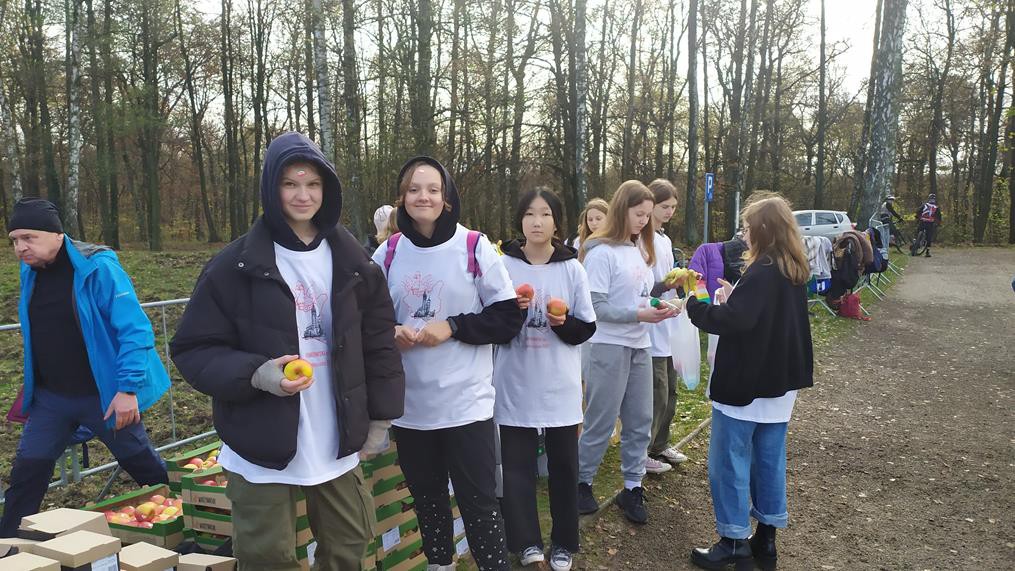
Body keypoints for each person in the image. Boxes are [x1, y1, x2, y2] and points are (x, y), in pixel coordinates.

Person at [170, 132, 405, 570]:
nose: (303, 195)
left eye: (313, 184)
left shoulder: (354, 262)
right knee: (266, 556)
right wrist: (258, 374)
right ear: (270, 188)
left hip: (336, 435)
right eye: (290, 183)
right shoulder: (233, 266)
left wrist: (381, 417)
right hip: (260, 436)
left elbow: (379, 344)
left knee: (350, 546)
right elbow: (193, 348)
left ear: (327, 189)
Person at [371, 156, 524, 571]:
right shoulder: (388, 253)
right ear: (402, 198)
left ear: (447, 198)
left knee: (479, 501)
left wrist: (453, 326)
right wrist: (390, 331)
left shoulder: (473, 246)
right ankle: (441, 564)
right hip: (411, 408)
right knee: (427, 499)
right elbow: (367, 318)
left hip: (465, 405)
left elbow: (508, 318)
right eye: (414, 189)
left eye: (433, 189)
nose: (423, 197)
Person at [1, 198, 170, 537]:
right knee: (27, 471)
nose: (20, 248)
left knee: (142, 465)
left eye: (29, 238)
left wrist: (127, 389)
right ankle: (8, 545)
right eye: (15, 240)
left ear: (56, 234)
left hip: (104, 395)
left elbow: (135, 330)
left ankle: (183, 519)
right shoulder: (30, 271)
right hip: (51, 399)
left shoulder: (99, 268)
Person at [684, 195, 814, 571]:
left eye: (747, 228)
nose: (743, 235)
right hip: (779, 384)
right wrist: (734, 299)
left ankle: (733, 540)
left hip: (748, 382)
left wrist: (696, 306)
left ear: (763, 230)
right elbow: (760, 315)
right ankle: (766, 540)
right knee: (768, 462)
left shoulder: (764, 269)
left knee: (729, 462)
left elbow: (736, 322)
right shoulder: (791, 268)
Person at [495, 188, 596, 570]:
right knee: (516, 469)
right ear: (519, 220)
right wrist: (514, 313)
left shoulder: (572, 268)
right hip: (515, 384)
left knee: (564, 468)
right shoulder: (503, 266)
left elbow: (586, 327)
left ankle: (564, 543)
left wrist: (562, 323)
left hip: (559, 386)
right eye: (529, 214)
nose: (537, 222)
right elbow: (494, 328)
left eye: (545, 214)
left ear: (557, 222)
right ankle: (526, 543)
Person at [576, 181, 680, 525]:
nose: (644, 221)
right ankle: (582, 482)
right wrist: (640, 314)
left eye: (648, 215)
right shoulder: (600, 252)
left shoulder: (638, 249)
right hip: (607, 345)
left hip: (639, 345)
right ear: (622, 210)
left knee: (640, 419)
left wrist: (659, 304)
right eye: (639, 214)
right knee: (601, 418)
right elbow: (596, 307)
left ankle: (633, 487)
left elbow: (640, 294)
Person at [645, 179, 689, 471]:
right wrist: (665, 285)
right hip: (651, 328)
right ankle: (644, 450)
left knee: (671, 390)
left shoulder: (665, 239)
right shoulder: (640, 240)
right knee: (656, 393)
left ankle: (661, 443)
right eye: (664, 206)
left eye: (673, 206)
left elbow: (667, 279)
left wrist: (681, 282)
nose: (669, 211)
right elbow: (644, 288)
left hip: (669, 325)